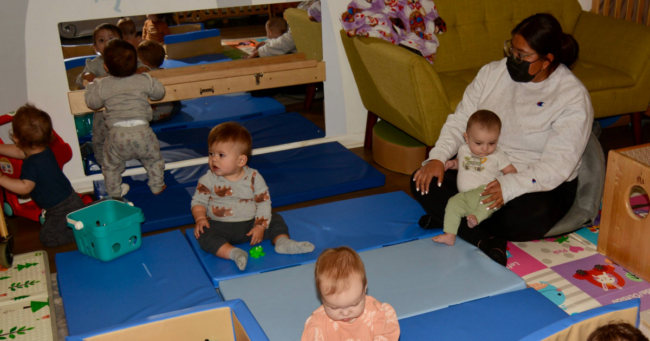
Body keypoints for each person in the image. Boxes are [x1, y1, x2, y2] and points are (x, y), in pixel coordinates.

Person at [411, 13, 592, 265]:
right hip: (481, 165)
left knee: (525, 219)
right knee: (423, 180)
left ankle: (453, 218)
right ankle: (482, 236)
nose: (513, 59)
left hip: (535, 181)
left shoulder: (572, 96)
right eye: (512, 50)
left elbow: (557, 167)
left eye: (522, 55)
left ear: (546, 60)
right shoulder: (492, 73)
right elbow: (460, 119)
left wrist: (508, 187)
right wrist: (438, 158)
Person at [191, 122, 315, 271]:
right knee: (204, 235)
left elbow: (263, 203)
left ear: (241, 160)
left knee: (275, 218)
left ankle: (282, 242)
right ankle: (233, 253)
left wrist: (260, 226)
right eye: (211, 153)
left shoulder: (254, 177)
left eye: (221, 155)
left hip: (251, 225)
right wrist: (200, 218)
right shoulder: (208, 179)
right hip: (220, 225)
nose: (214, 159)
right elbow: (199, 201)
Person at [84, 39, 166, 198]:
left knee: (111, 167)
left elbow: (92, 103)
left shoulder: (103, 84)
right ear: (136, 64)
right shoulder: (143, 80)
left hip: (117, 136)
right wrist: (152, 80)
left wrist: (90, 86)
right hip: (143, 133)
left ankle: (114, 193)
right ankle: (157, 186)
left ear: (106, 67)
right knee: (153, 160)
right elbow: (160, 93)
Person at [0, 104, 85, 247]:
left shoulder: (31, 164)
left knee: (47, 238)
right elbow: (19, 152)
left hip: (59, 209)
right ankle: (80, 219)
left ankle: (81, 232)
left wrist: (2, 178)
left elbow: (25, 187)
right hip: (70, 198)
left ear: (16, 139)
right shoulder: (43, 150)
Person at [434, 110, 517, 254]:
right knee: (453, 203)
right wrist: (452, 164)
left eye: (492, 143)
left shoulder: (498, 156)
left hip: (486, 191)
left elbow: (511, 172)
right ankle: (450, 234)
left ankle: (476, 218)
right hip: (465, 195)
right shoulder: (463, 149)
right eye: (478, 143)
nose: (485, 148)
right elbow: (461, 162)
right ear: (466, 137)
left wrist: (503, 184)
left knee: (489, 202)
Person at [301, 246, 400, 341]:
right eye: (334, 307)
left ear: (364, 287)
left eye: (354, 304)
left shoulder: (376, 314)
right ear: (321, 296)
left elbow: (388, 333)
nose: (345, 313)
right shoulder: (319, 325)